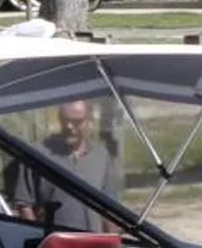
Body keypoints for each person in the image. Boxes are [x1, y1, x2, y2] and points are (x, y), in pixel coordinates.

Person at [7, 98, 122, 231]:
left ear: (90, 122)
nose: (69, 126)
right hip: (55, 245)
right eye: (65, 120)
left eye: (76, 122)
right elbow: (24, 205)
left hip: (92, 244)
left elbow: (109, 209)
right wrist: (38, 239)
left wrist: (112, 245)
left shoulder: (101, 156)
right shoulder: (37, 155)